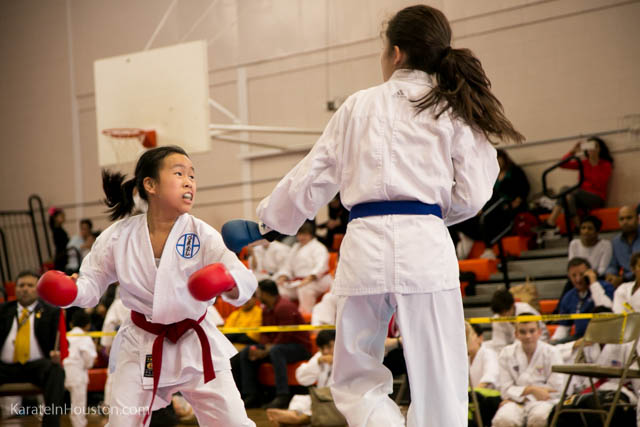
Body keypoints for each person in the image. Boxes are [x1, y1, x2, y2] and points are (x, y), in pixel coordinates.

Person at [248, 5, 524, 426]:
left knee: (355, 376)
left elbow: (315, 174)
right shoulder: (451, 107)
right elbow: (474, 192)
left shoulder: (359, 106)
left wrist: (269, 221)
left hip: (365, 245)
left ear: (396, 53)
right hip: (426, 245)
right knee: (441, 377)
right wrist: (430, 216)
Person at [39, 146, 258, 426]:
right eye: (179, 173)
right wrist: (71, 292)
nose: (189, 181)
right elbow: (92, 283)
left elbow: (245, 279)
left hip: (195, 341)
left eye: (192, 175)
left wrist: (228, 281)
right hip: (142, 343)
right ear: (150, 185)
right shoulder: (118, 237)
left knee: (233, 423)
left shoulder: (203, 235)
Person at [0, 271, 66, 427]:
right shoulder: (3, 310)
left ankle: (51, 423)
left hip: (36, 366)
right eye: (21, 285)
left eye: (30, 285)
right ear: (15, 289)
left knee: (56, 370)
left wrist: (57, 355)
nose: (25, 289)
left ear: (38, 289)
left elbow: (60, 342)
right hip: (5, 367)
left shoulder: (51, 311)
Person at [236, 279, 311, 410]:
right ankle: (252, 394)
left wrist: (267, 350)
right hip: (277, 346)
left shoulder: (284, 307)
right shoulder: (265, 309)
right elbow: (264, 332)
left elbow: (286, 334)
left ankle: (283, 395)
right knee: (248, 351)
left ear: (265, 293)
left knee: (276, 351)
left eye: (258, 293)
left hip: (299, 347)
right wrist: (262, 347)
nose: (257, 296)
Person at [450, 148, 530, 259]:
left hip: (508, 206)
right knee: (457, 221)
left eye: (498, 158)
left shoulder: (515, 171)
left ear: (504, 159)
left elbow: (524, 188)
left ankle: (489, 248)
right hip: (492, 205)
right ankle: (456, 249)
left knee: (486, 216)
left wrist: (518, 200)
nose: (497, 161)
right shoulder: (490, 175)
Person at [492, 316, 564, 427]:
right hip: (515, 403)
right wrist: (532, 390)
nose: (528, 336)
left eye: (532, 331)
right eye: (523, 332)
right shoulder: (506, 353)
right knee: (503, 419)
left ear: (539, 332)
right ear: (516, 334)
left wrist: (522, 395)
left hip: (543, 402)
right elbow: (505, 389)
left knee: (539, 417)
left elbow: (556, 388)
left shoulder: (552, 353)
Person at [266, 330, 336, 426]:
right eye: (322, 348)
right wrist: (318, 362)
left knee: (325, 407)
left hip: (337, 400)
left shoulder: (348, 358)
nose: (325, 351)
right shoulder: (321, 356)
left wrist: (337, 363)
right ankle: (295, 416)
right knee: (302, 400)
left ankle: (298, 419)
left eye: (329, 347)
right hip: (321, 399)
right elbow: (301, 378)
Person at [542, 136, 613, 230]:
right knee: (567, 195)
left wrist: (594, 162)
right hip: (579, 196)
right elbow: (562, 164)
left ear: (600, 149)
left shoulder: (606, 165)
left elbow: (599, 183)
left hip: (597, 198)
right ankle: (577, 225)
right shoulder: (583, 163)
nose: (591, 149)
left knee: (567, 190)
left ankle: (551, 221)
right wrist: (573, 151)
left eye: (595, 146)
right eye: (589, 146)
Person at [275, 221, 332, 314]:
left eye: (304, 235)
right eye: (299, 234)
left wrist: (308, 279)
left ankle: (306, 315)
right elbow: (288, 265)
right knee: (281, 289)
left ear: (311, 235)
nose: (301, 237)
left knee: (304, 289)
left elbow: (321, 266)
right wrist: (283, 276)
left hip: (318, 281)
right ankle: (288, 313)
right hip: (299, 281)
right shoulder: (295, 247)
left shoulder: (319, 247)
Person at [552, 258, 614, 343]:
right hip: (580, 339)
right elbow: (564, 327)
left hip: (603, 336)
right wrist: (553, 341)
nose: (578, 279)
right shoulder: (568, 297)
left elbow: (606, 309)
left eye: (581, 274)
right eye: (574, 275)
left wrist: (593, 282)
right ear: (569, 277)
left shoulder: (604, 287)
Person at [64, 310, 97, 427]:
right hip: (77, 373)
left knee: (52, 403)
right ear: (88, 325)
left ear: (71, 324)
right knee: (78, 405)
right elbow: (89, 358)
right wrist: (87, 365)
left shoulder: (66, 335)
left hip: (61, 371)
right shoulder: (85, 338)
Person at [605, 205, 640, 287]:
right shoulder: (616, 242)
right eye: (622, 219)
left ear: (637, 219)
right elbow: (613, 265)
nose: (625, 222)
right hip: (625, 283)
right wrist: (610, 275)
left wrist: (623, 278)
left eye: (629, 218)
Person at [466, 322, 499, 389]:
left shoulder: (488, 354)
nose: (465, 340)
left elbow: (489, 377)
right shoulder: (466, 359)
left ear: (480, 338)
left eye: (468, 336)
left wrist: (475, 394)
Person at [49, 207, 69, 271]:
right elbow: (62, 244)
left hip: (62, 255)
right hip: (61, 256)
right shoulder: (57, 231)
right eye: (62, 216)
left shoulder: (59, 229)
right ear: (55, 218)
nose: (64, 218)